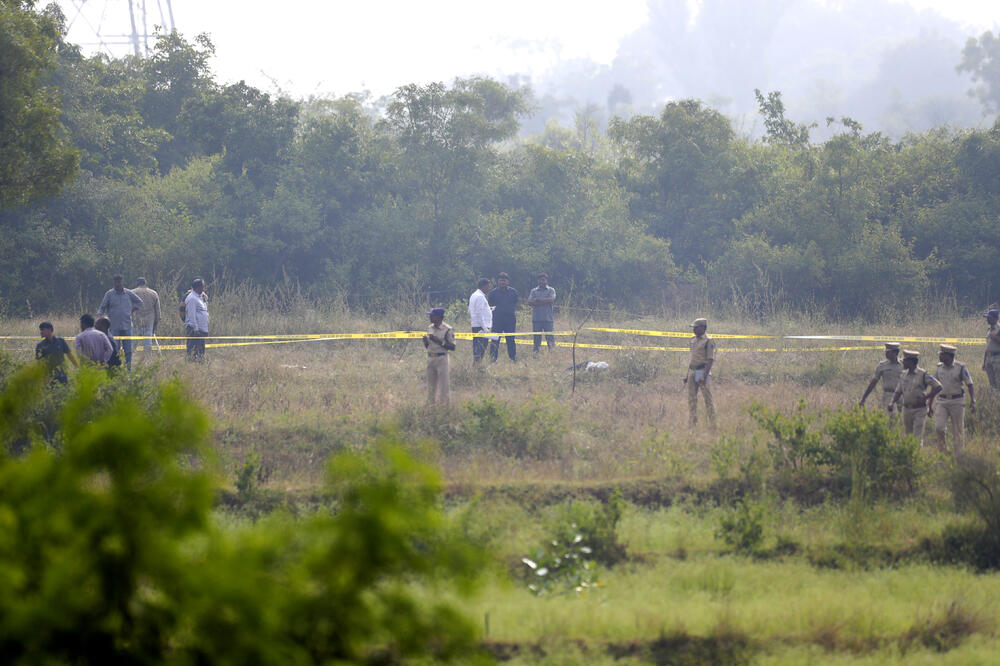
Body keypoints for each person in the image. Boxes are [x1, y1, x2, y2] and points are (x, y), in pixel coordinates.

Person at [889, 350, 942, 446]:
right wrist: (892, 402)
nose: (903, 362)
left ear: (912, 362)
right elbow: (898, 391)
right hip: (906, 409)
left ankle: (917, 456)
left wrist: (926, 397)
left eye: (905, 360)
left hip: (919, 409)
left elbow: (938, 386)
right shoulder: (903, 374)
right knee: (908, 436)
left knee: (917, 437)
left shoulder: (923, 374)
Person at [933, 344, 975, 456]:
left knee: (958, 430)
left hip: (957, 401)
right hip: (942, 401)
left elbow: (970, 384)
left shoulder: (960, 367)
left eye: (942, 354)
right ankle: (943, 452)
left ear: (949, 355)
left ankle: (959, 455)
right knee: (939, 427)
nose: (940, 356)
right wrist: (929, 402)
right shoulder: (939, 367)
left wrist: (973, 400)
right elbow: (934, 386)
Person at [97, 274, 143, 369]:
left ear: (122, 282)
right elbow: (102, 307)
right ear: (114, 283)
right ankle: (116, 369)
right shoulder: (109, 294)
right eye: (116, 282)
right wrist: (99, 317)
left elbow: (139, 302)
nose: (118, 284)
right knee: (115, 350)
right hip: (114, 327)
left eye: (119, 281)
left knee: (128, 351)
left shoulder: (128, 293)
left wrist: (132, 310)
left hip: (127, 326)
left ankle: (128, 370)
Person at [685, 317, 716, 429]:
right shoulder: (692, 340)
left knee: (708, 399)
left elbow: (710, 359)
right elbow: (692, 358)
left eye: (696, 328)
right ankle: (692, 424)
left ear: (703, 328)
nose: (694, 330)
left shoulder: (708, 341)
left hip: (702, 371)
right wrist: (687, 375)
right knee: (692, 399)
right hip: (693, 371)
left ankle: (712, 424)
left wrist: (705, 375)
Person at [859, 342, 903, 419]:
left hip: (902, 395)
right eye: (886, 352)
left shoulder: (904, 365)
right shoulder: (882, 366)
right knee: (891, 417)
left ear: (896, 352)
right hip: (888, 395)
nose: (886, 354)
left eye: (888, 352)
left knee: (903, 418)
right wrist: (864, 398)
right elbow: (873, 382)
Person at [422, 307, 456, 405]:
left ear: (439, 317)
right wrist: (425, 342)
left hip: (442, 359)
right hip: (431, 358)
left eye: (432, 316)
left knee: (444, 385)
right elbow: (428, 345)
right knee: (431, 385)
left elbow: (452, 347)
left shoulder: (448, 329)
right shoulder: (430, 328)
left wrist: (438, 340)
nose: (430, 317)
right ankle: (431, 405)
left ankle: (444, 406)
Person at [487, 272, 518, 362]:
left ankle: (513, 359)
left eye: (504, 281)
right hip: (497, 320)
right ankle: (493, 359)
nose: (502, 282)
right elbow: (490, 305)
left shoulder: (513, 292)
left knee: (511, 340)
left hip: (510, 320)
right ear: (498, 281)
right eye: (501, 280)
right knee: (495, 340)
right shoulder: (493, 293)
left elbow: (515, 303)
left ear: (507, 282)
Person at [528, 273, 557, 353]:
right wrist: (544, 301)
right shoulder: (533, 291)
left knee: (550, 339)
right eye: (540, 280)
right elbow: (530, 302)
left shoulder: (551, 290)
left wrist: (538, 300)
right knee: (536, 339)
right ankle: (535, 355)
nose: (541, 281)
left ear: (546, 280)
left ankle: (553, 356)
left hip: (548, 319)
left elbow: (551, 299)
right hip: (536, 319)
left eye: (543, 279)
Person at [182, 277, 210, 361]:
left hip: (202, 329)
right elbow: (191, 315)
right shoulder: (192, 298)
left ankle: (199, 365)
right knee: (192, 351)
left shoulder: (200, 297)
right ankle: (190, 366)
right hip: (194, 330)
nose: (203, 288)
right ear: (198, 287)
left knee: (201, 351)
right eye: (202, 286)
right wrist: (196, 329)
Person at [131, 277, 161, 355]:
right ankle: (148, 361)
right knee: (148, 344)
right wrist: (156, 323)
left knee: (133, 344)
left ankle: (130, 360)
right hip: (149, 321)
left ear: (137, 283)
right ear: (145, 283)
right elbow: (158, 311)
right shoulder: (153, 293)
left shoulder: (132, 293)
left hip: (135, 321)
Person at [468, 278, 492, 364]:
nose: (489, 288)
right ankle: (477, 366)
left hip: (476, 325)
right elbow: (479, 313)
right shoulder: (480, 296)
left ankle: (477, 365)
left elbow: (470, 310)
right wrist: (485, 328)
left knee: (477, 347)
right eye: (488, 286)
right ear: (483, 286)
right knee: (480, 348)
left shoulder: (474, 295)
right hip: (481, 326)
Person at [983, 308, 1000, 389]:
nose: (987, 319)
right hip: (989, 358)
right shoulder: (989, 330)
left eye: (989, 318)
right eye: (987, 317)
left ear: (996, 318)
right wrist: (984, 361)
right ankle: (994, 399)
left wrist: (995, 338)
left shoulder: (999, 329)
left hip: (998, 358)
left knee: (998, 381)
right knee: (992, 384)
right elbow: (987, 346)